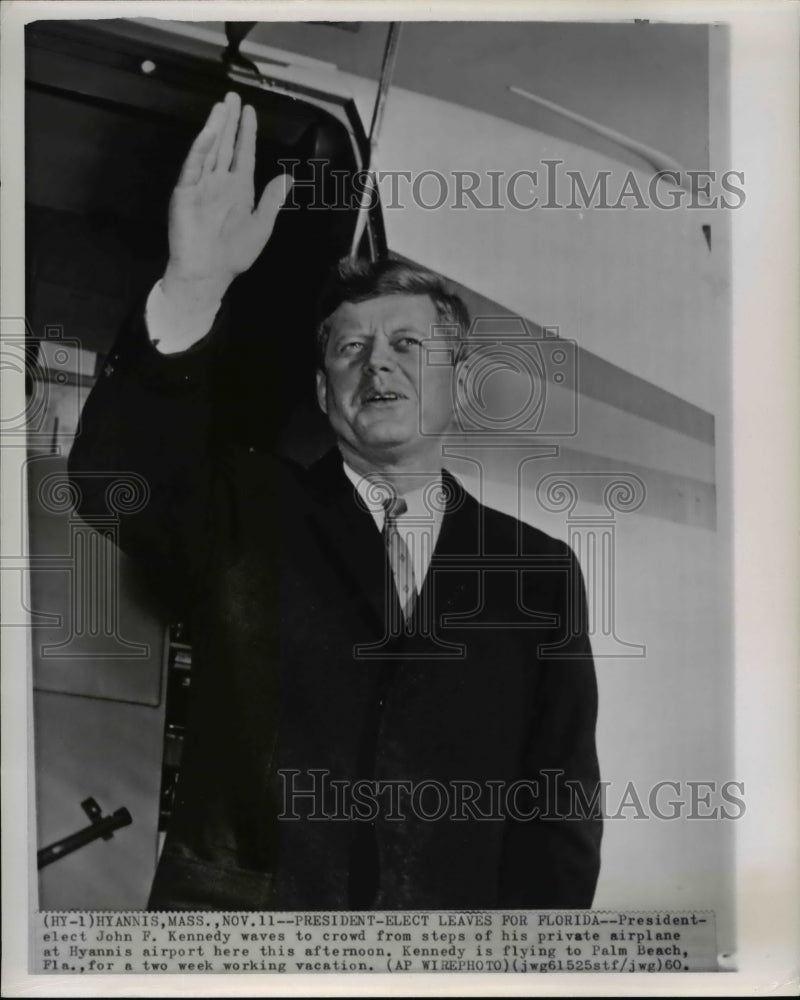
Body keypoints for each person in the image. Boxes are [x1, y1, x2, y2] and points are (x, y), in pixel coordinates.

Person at [69, 91, 602, 911]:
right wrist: (192, 286)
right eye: (352, 348)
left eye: (407, 345)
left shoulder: (536, 570)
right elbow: (112, 482)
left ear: (456, 386)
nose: (377, 365)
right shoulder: (245, 505)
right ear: (324, 392)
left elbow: (558, 805)